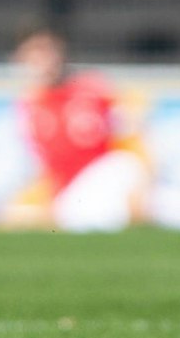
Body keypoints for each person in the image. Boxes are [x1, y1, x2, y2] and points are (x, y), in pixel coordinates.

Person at [10, 23, 147, 233]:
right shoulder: (28, 105)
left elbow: (133, 131)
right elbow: (41, 167)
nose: (44, 61)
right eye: (35, 52)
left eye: (48, 51)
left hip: (106, 173)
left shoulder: (92, 89)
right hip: (71, 192)